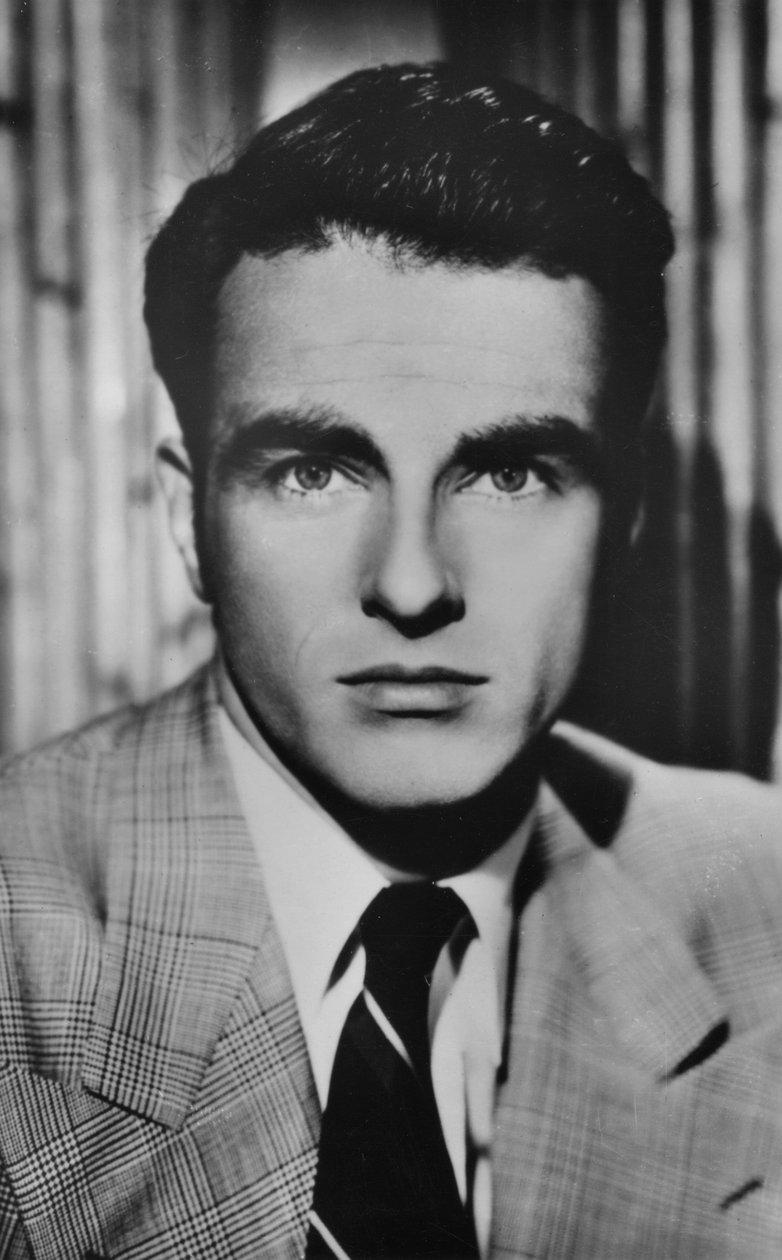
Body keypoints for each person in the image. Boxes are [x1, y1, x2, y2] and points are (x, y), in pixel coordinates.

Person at [0, 61, 781, 1260]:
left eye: (509, 473)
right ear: (186, 520)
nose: (412, 584)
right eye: (312, 472)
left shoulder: (760, 899)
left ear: (619, 523)